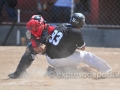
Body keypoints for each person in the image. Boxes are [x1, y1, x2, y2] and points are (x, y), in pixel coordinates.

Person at [45, 13, 112, 75]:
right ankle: (106, 70)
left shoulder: (61, 25)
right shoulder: (75, 32)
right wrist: (73, 45)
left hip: (48, 58)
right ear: (81, 23)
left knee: (73, 64)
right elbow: (82, 48)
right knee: (86, 55)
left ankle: (55, 71)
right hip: (58, 60)